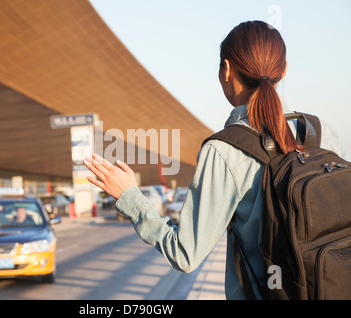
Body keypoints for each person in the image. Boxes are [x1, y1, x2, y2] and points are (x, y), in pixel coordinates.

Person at [83, 20, 347, 299]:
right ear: (284, 70)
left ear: (227, 70)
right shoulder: (320, 132)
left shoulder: (224, 150)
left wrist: (129, 196)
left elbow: (185, 253)